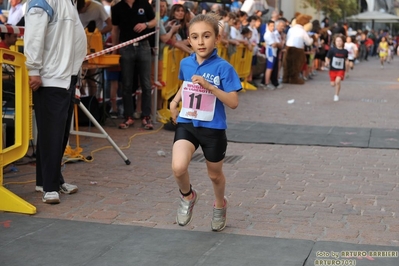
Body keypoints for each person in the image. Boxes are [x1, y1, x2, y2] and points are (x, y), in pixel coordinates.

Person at [169, 13, 241, 231]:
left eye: (206, 36)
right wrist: (174, 101)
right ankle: (188, 196)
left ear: (216, 39)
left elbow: (233, 102)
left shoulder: (224, 68)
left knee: (214, 174)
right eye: (195, 37)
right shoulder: (185, 63)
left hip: (213, 128)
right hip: (188, 123)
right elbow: (185, 85)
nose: (200, 42)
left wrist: (210, 87)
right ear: (188, 40)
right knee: (178, 167)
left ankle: (220, 204)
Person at [25, 0, 87, 203]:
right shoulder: (44, 1)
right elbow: (34, 35)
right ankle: (49, 186)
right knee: (52, 134)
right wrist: (33, 69)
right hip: (52, 76)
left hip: (65, 75)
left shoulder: (68, 2)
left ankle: (49, 181)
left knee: (57, 134)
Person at [111, 0, 156, 130]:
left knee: (146, 83)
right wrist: (114, 49)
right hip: (126, 47)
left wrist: (145, 24)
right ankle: (128, 116)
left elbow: (154, 21)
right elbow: (115, 29)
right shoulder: (117, 8)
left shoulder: (143, 3)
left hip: (144, 46)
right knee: (127, 83)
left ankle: (146, 116)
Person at [325, 34, 348, 102]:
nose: (339, 42)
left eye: (340, 41)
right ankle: (337, 84)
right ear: (335, 42)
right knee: (333, 84)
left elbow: (346, 59)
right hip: (333, 69)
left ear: (343, 42)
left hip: (341, 69)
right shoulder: (332, 50)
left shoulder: (345, 51)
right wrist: (327, 62)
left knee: (337, 81)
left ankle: (336, 95)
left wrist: (347, 63)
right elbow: (327, 57)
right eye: (337, 41)